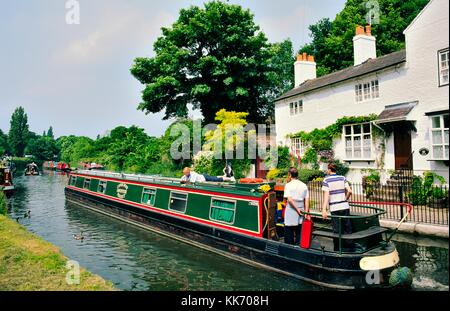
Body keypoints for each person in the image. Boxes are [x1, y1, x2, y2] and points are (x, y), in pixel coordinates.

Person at [321, 163, 354, 251]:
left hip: (335, 208)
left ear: (329, 170)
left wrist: (324, 210)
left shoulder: (326, 180)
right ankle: (349, 248)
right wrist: (345, 199)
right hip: (344, 206)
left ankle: (337, 249)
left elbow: (326, 196)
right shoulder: (342, 178)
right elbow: (350, 191)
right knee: (347, 228)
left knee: (336, 230)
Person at [283, 168, 310, 246]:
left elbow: (290, 200)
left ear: (290, 175)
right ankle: (299, 246)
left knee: (289, 229)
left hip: (291, 208)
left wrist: (296, 209)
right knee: (299, 229)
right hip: (301, 208)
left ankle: (289, 248)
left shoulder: (288, 185)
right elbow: (307, 200)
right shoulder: (304, 185)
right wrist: (306, 212)